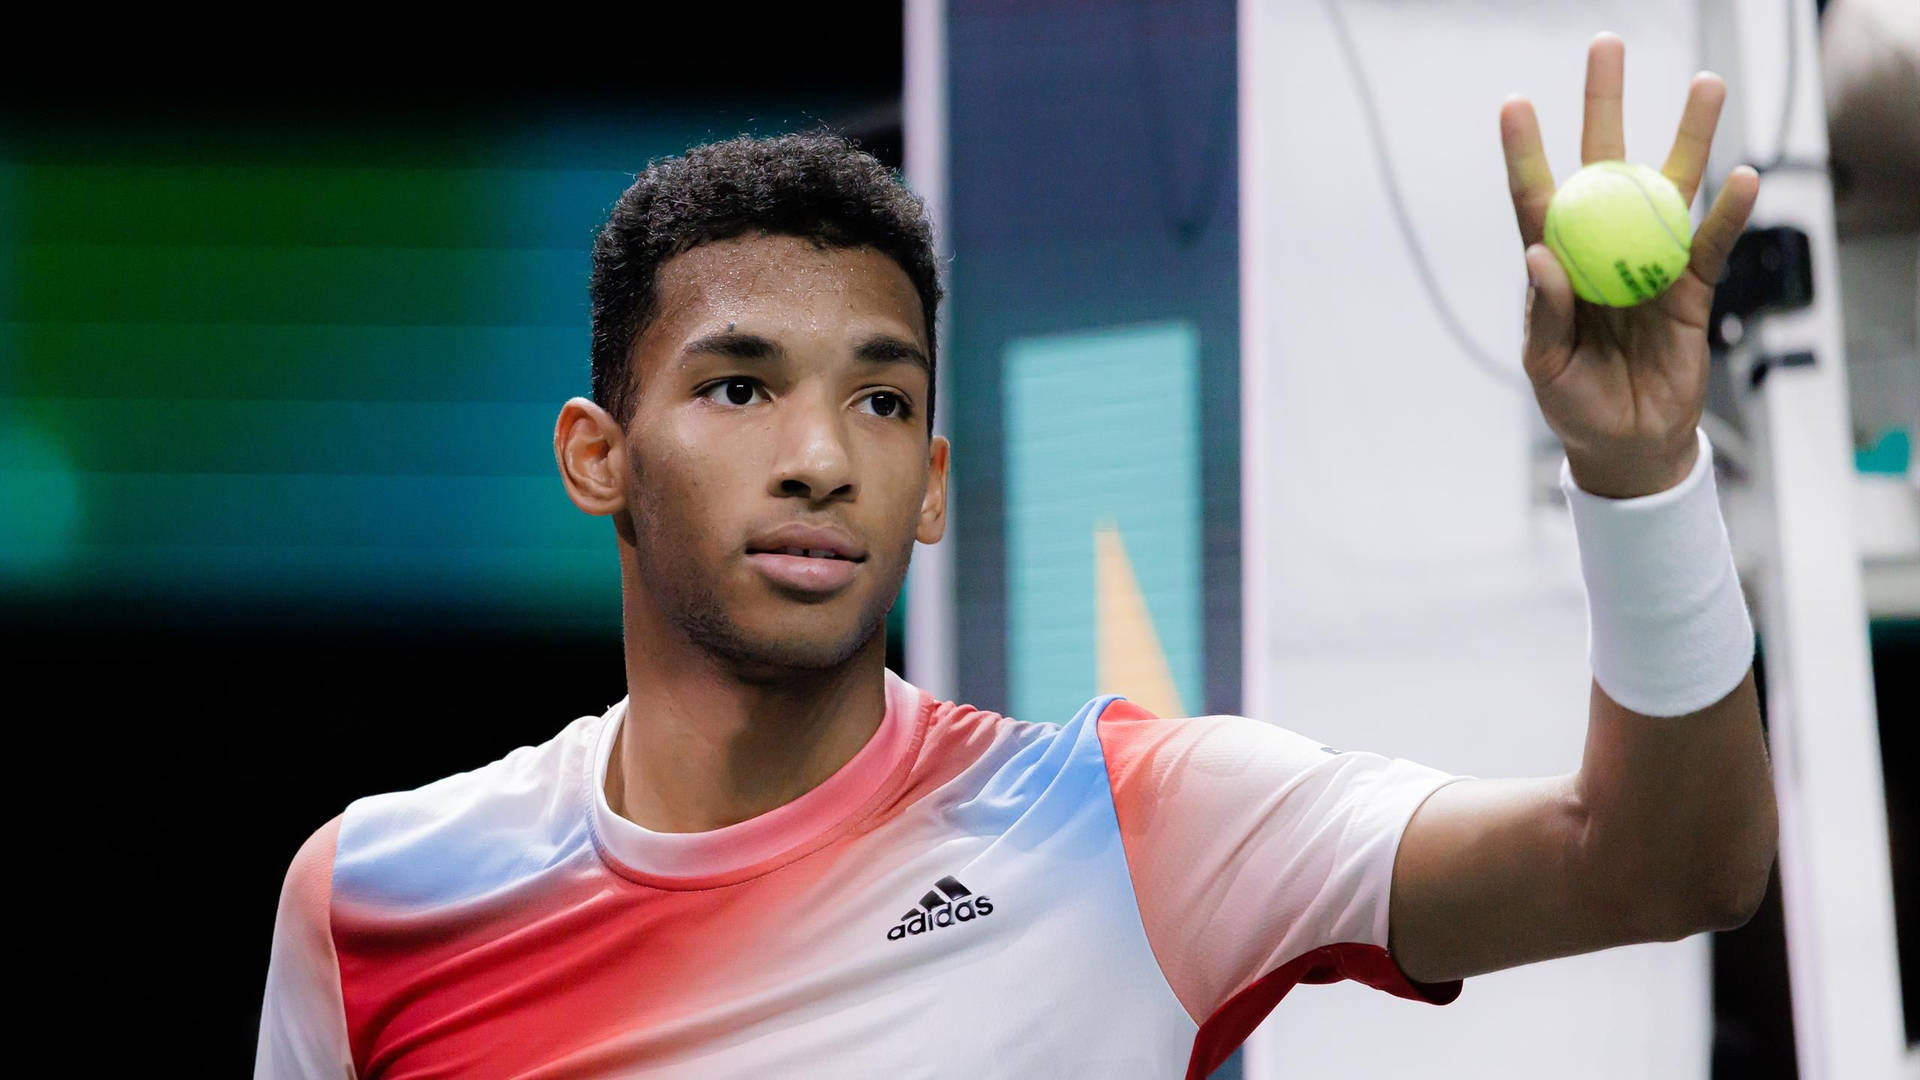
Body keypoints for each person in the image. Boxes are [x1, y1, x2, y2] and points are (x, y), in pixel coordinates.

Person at [255, 33, 1777, 1079]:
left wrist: (1636, 472)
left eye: (880, 399)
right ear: (599, 456)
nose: (816, 455)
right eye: (738, 387)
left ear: (929, 486)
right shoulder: (380, 898)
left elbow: (1660, 858)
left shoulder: (1130, 830)